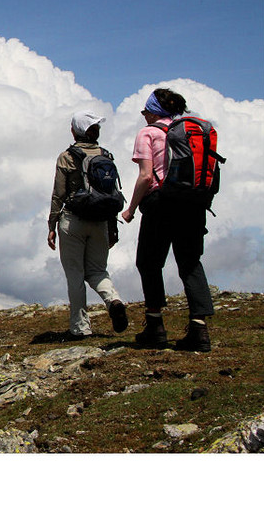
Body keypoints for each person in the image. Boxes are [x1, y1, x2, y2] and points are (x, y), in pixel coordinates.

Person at [122, 88, 214, 352]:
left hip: (161, 203)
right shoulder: (190, 131)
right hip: (193, 203)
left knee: (149, 262)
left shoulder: (148, 133)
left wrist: (131, 208)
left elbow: (146, 176)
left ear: (152, 111)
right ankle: (199, 330)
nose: (143, 116)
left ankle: (155, 326)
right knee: (190, 262)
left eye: (144, 111)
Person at [47, 112, 129, 339]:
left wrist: (52, 225)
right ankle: (113, 300)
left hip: (73, 220)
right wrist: (113, 227)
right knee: (98, 270)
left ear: (75, 131)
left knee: (75, 274)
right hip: (101, 221)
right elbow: (109, 193)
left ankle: (80, 328)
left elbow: (58, 194)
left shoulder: (66, 157)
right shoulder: (105, 155)